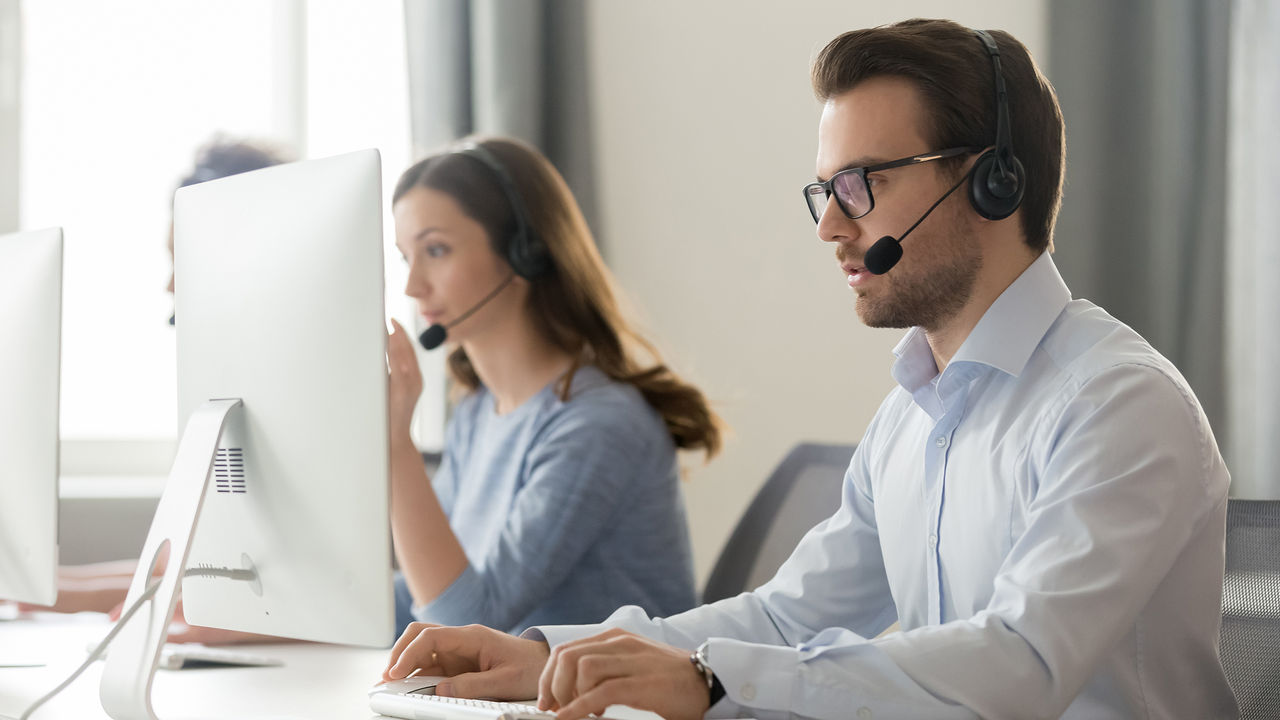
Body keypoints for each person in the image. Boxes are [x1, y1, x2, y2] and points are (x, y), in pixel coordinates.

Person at [381, 19, 1238, 720]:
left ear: (992, 184)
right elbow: (788, 614)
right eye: (824, 190)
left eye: (861, 185)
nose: (830, 226)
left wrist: (716, 682)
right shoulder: (913, 413)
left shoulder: (1119, 403)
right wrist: (549, 655)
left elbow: (1020, 661)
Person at [385, 136, 718, 636]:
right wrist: (249, 625)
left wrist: (395, 447)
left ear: (525, 252)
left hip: (606, 710)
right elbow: (420, 595)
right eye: (406, 257)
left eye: (435, 250)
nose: (413, 286)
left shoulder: (596, 424)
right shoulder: (478, 412)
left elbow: (468, 625)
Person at [13, 136, 290, 644]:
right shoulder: (232, 387)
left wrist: (218, 620)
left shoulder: (305, 395)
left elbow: (302, 586)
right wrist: (53, 590)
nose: (170, 287)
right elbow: (196, 561)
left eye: (183, 260)